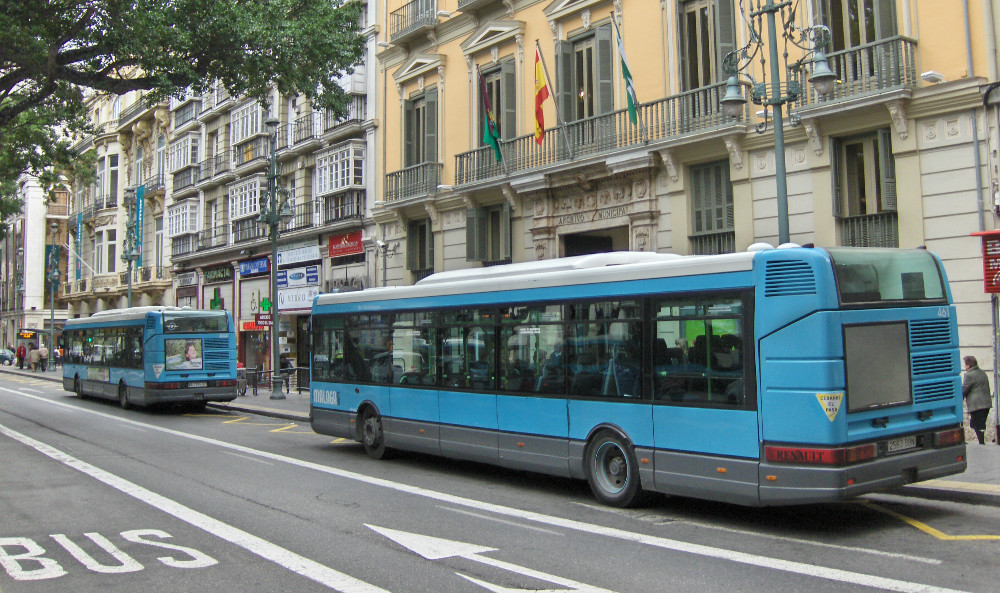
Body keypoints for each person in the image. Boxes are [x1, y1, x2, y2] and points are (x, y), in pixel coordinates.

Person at [962, 355, 993, 444]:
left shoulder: (969, 375)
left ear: (968, 365)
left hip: (977, 405)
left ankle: (981, 442)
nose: (964, 366)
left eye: (965, 364)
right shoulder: (982, 373)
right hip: (986, 403)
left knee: (976, 424)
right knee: (980, 423)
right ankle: (981, 441)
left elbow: (964, 389)